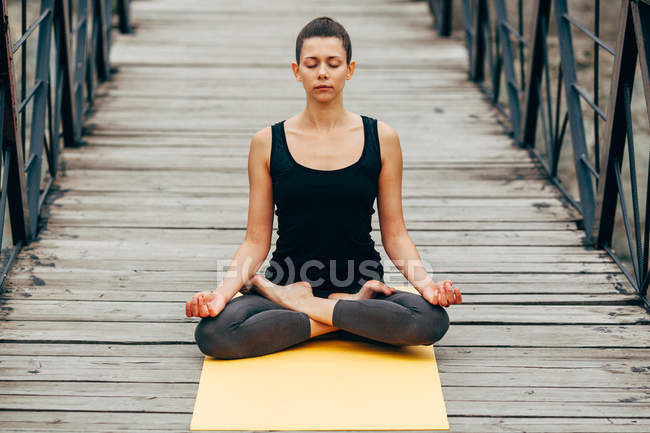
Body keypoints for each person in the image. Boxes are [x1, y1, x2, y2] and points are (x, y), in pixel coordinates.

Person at [185, 16, 462, 360]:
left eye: (333, 63)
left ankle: (310, 310)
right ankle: (340, 317)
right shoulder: (267, 142)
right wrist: (221, 294)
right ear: (296, 70)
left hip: (360, 288)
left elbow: (396, 234)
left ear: (350, 69)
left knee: (431, 321)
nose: (322, 72)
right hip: (287, 284)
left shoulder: (383, 139)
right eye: (311, 63)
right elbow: (256, 240)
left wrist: (426, 285)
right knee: (214, 333)